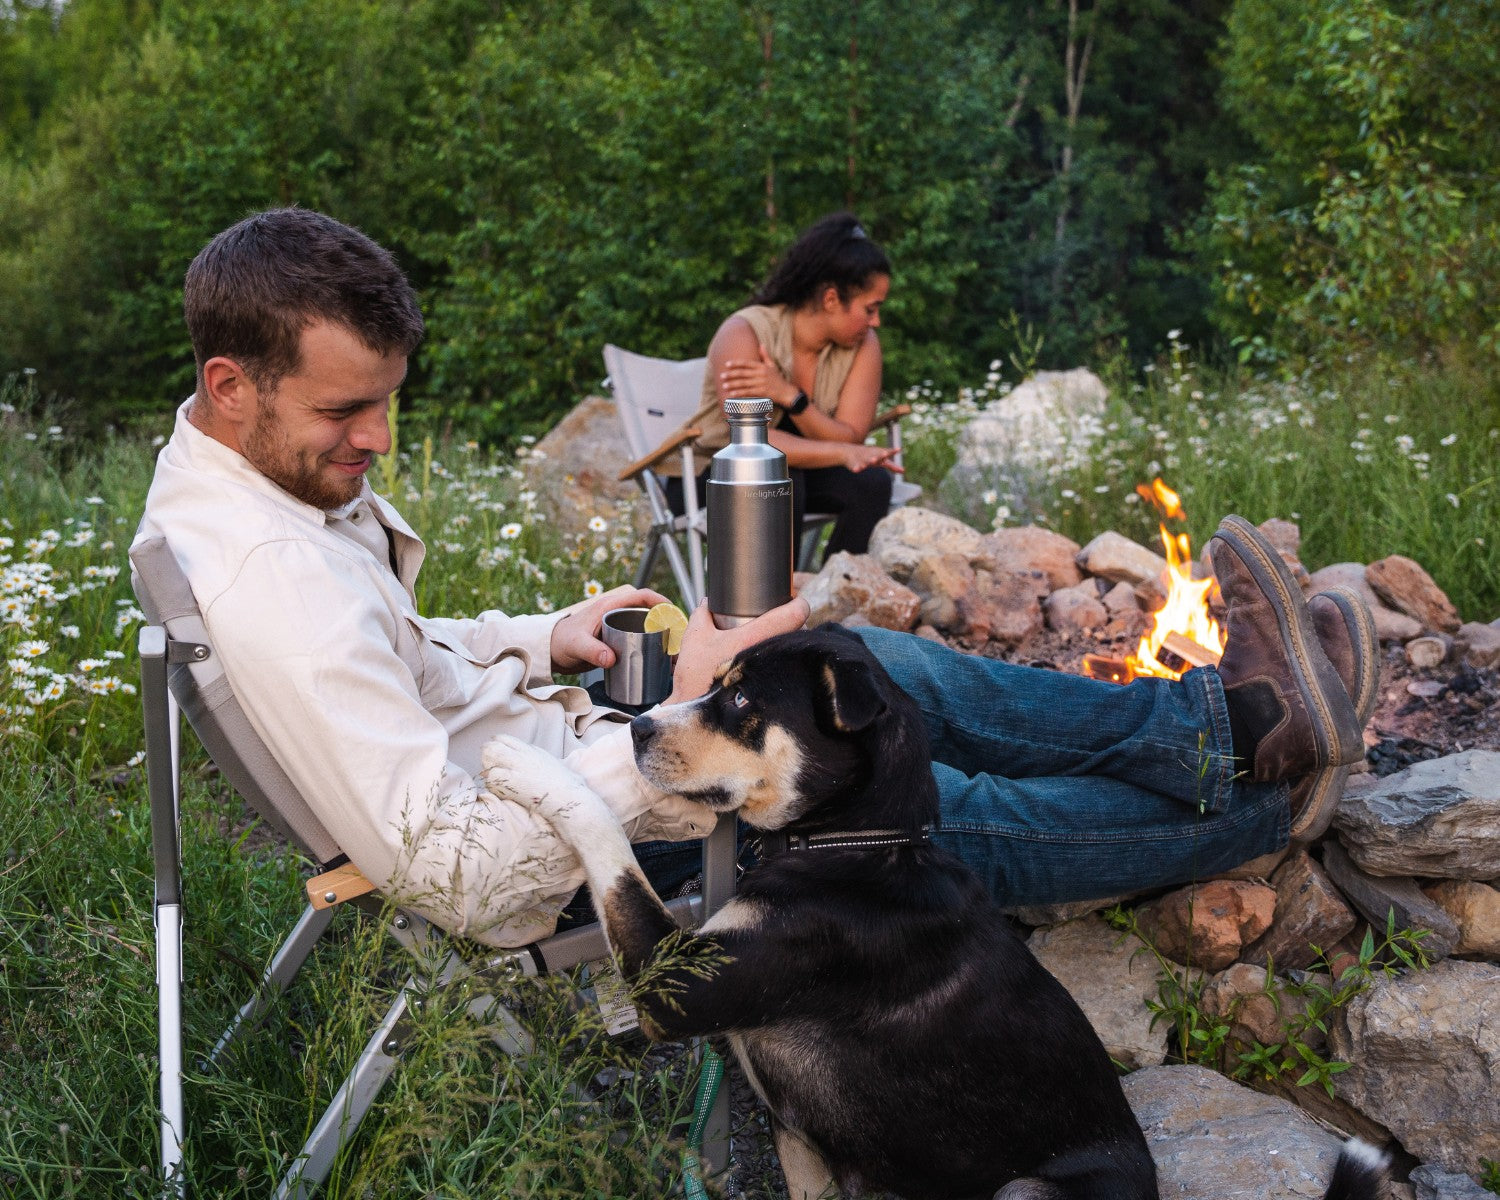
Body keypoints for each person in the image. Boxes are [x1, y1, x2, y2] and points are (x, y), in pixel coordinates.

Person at [134, 207, 1371, 951]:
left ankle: (1230, 734)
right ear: (233, 383)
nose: (378, 442)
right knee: (902, 792)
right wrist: (675, 734)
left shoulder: (254, 486)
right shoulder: (269, 577)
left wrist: (544, 630)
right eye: (348, 411)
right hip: (579, 856)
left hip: (565, 751)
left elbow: (394, 651)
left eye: (386, 406)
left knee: (848, 670)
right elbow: (464, 879)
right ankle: (1255, 784)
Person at [664, 212, 903, 562]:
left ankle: (840, 595)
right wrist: (840, 452)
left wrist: (790, 397)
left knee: (871, 484)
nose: (876, 321)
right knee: (780, 474)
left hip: (800, 475)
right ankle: (775, 606)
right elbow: (749, 444)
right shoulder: (745, 332)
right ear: (832, 299)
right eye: (870, 309)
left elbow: (850, 437)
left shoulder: (863, 345)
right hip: (714, 477)